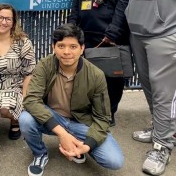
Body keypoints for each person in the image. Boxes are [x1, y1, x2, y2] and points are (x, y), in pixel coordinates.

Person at [19, 23, 123, 176]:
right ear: (53, 47)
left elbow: (103, 117)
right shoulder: (45, 65)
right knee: (25, 119)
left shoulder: (96, 75)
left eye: (73, 47)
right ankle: (40, 154)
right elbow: (31, 100)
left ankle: (77, 149)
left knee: (114, 160)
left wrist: (86, 146)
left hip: (81, 123)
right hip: (53, 118)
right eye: (61, 46)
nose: (66, 52)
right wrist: (63, 134)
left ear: (82, 48)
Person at [125, 0, 176, 176]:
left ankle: (162, 146)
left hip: (165, 33)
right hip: (139, 33)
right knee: (148, 86)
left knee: (164, 93)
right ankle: (160, 128)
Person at [68, 0, 132, 126]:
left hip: (109, 34)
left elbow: (123, 1)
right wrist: (72, 28)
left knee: (110, 76)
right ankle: (90, 108)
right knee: (88, 76)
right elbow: (77, 2)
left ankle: (109, 113)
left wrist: (112, 31)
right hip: (86, 33)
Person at [0, 3, 36, 140]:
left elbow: (29, 72)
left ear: (13, 22)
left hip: (15, 87)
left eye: (8, 19)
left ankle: (15, 121)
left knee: (5, 107)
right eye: (0, 18)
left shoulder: (23, 43)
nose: (4, 22)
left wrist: (25, 96)